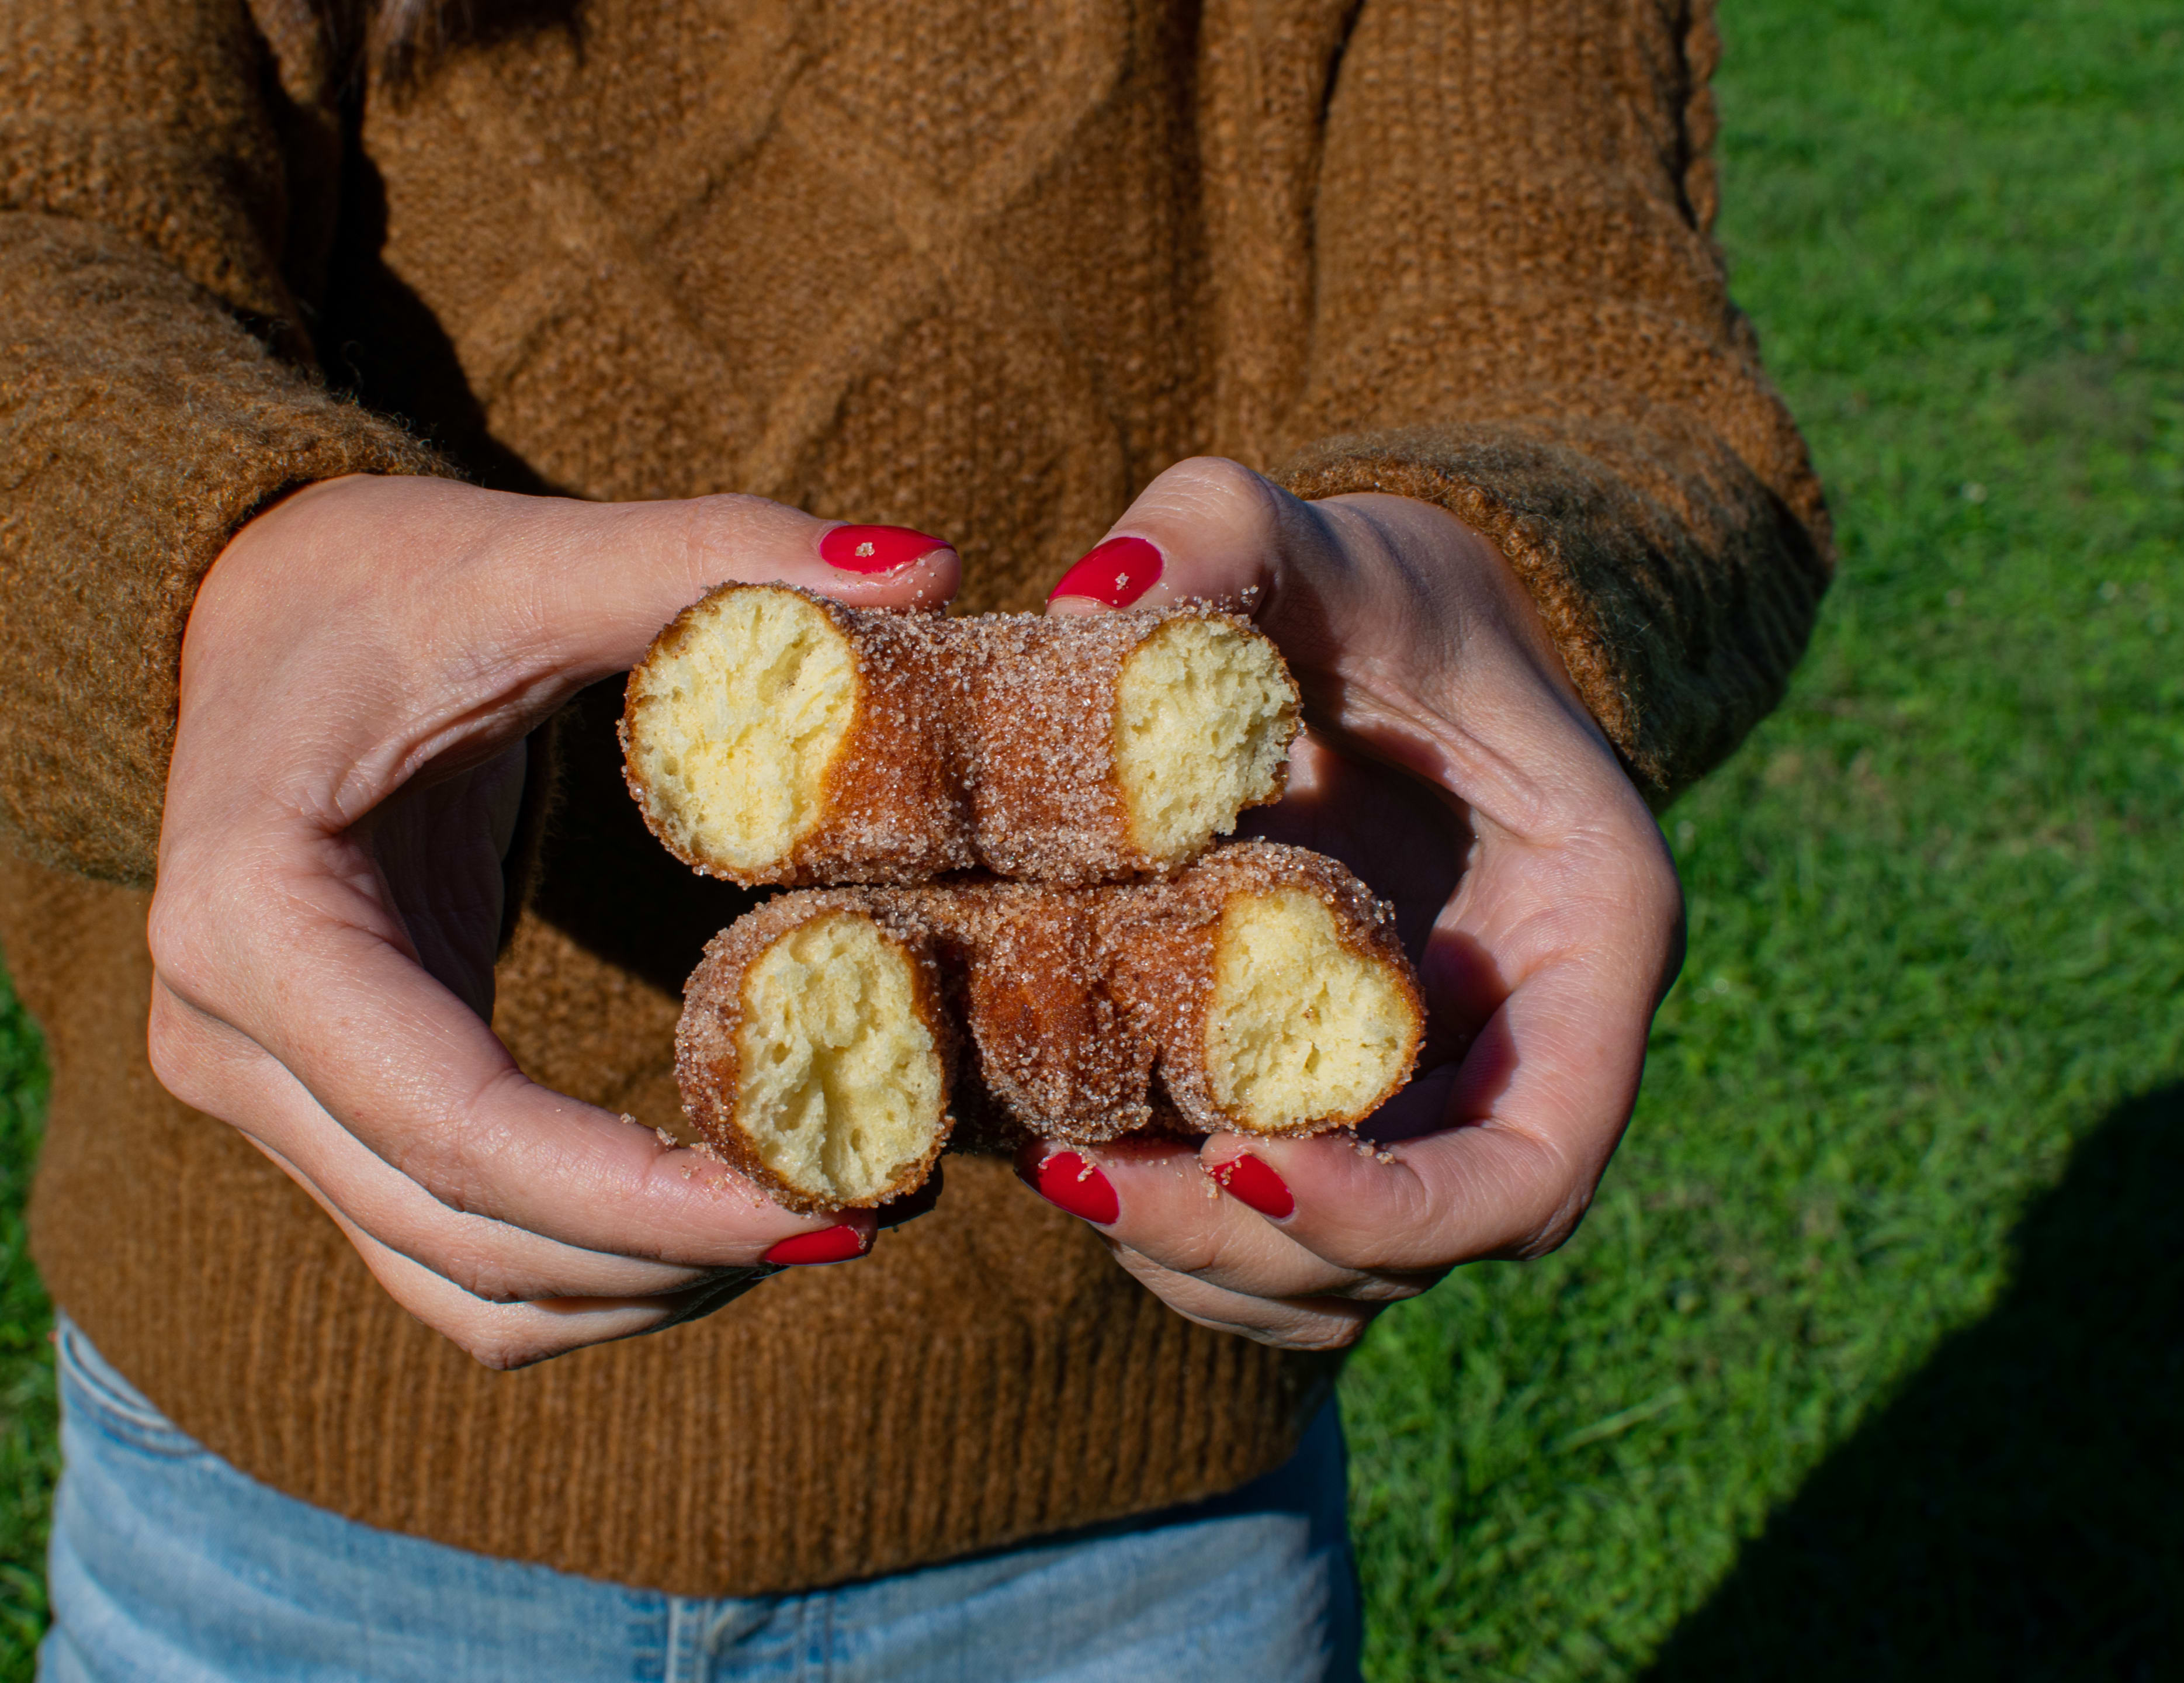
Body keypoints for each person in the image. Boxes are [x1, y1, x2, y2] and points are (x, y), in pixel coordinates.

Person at [0, 0, 1831, 1675]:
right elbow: (48, 226)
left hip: (1132, 1530)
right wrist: (212, 577)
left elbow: (1591, 345)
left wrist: (1493, 586)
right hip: (271, 1488)